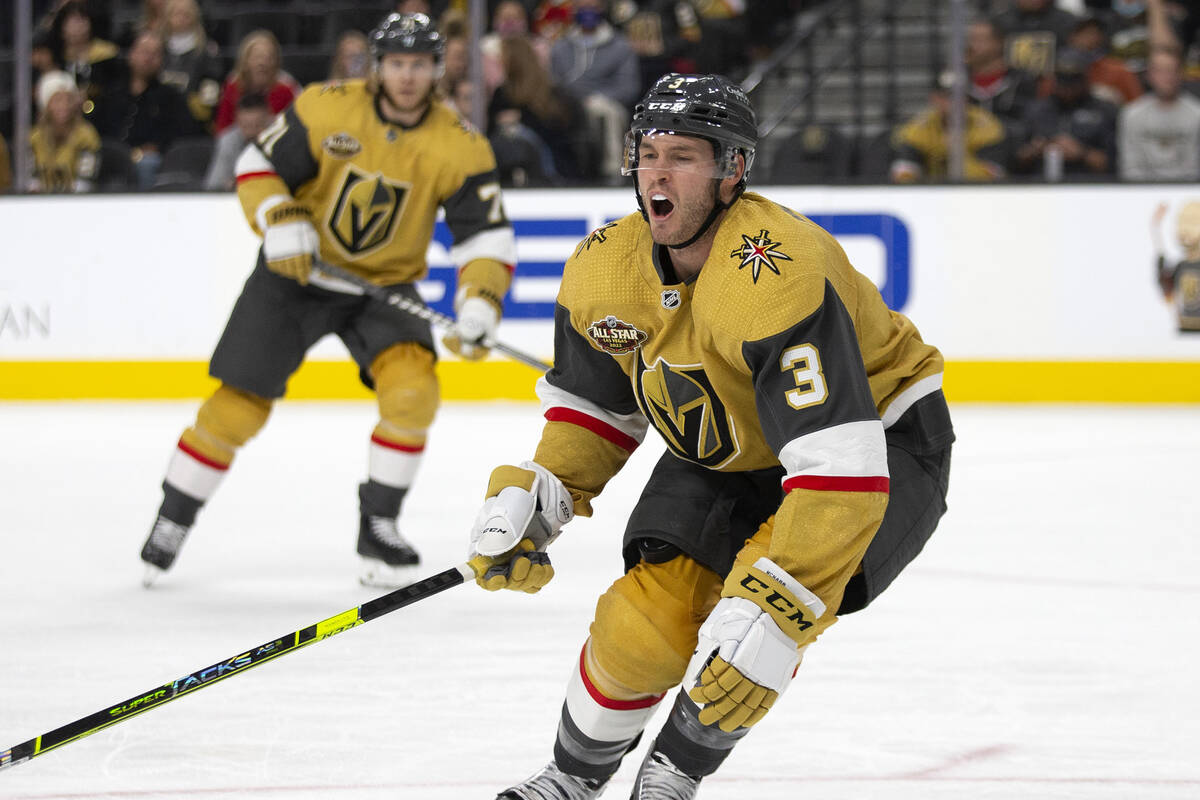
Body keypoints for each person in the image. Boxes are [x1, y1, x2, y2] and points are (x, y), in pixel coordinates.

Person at [465, 73, 954, 799]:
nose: (657, 173)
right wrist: (546, 492)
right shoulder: (604, 267)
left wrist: (781, 599)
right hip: (730, 443)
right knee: (639, 628)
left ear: (733, 171)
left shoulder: (775, 271)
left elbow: (836, 472)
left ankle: (672, 778)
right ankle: (568, 781)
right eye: (648, 152)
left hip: (873, 445)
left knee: (752, 639)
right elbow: (598, 410)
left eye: (684, 156)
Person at [139, 12, 517, 589]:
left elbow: (485, 238)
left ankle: (379, 524)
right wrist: (279, 215)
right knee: (237, 407)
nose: (408, 76)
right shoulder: (326, 106)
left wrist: (481, 302)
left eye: (419, 65)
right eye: (397, 64)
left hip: (383, 287)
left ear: (437, 70)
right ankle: (174, 516)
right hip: (295, 275)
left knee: (413, 392)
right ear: (378, 66)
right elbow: (256, 163)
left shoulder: (459, 145)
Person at [86, 30, 195, 189]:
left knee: (147, 164)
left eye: (155, 53)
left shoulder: (171, 98)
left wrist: (158, 147)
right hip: (111, 157)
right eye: (144, 51)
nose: (148, 58)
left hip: (151, 162)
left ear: (162, 60)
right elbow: (95, 130)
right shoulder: (111, 95)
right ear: (131, 54)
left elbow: (184, 134)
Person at [1014, 49, 1118, 180]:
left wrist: (1082, 153)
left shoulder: (1105, 111)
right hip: (1040, 185)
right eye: (1062, 80)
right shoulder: (1034, 110)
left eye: (1073, 80)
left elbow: (1113, 165)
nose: (1067, 88)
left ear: (1085, 79)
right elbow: (1015, 162)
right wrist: (1035, 150)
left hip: (1088, 186)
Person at [890, 72, 1008, 183]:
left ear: (967, 99)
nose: (953, 102)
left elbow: (992, 179)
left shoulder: (987, 127)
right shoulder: (919, 127)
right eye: (945, 96)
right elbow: (903, 176)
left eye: (959, 95)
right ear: (934, 98)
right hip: (932, 195)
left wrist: (959, 153)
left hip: (977, 196)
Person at [1118, 48, 1200, 180]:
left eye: (1172, 70)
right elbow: (1130, 166)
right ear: (1149, 75)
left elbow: (1194, 167)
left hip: (1186, 191)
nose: (1167, 77)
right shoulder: (1132, 113)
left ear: (1181, 74)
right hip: (1140, 190)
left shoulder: (1197, 114)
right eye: (1160, 71)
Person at [213, 30, 300, 134]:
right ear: (245, 61)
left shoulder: (287, 88)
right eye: (257, 57)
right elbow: (223, 128)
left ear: (276, 62)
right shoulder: (233, 86)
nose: (262, 63)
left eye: (268, 58)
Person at [29, 70, 101, 193]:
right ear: (46, 104)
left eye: (68, 100)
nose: (64, 106)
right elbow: (31, 180)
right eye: (57, 100)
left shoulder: (86, 136)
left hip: (77, 202)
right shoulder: (34, 138)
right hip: (40, 203)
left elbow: (85, 181)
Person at [158, 0, 225, 130]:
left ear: (195, 17)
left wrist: (204, 104)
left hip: (192, 117)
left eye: (186, 14)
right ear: (168, 17)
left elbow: (212, 84)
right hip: (160, 112)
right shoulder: (158, 47)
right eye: (177, 14)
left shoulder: (207, 50)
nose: (181, 18)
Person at [202, 92, 273, 191]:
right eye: (246, 126)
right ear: (237, 121)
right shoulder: (228, 141)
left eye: (258, 125)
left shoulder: (283, 137)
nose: (252, 132)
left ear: (269, 119)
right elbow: (214, 186)